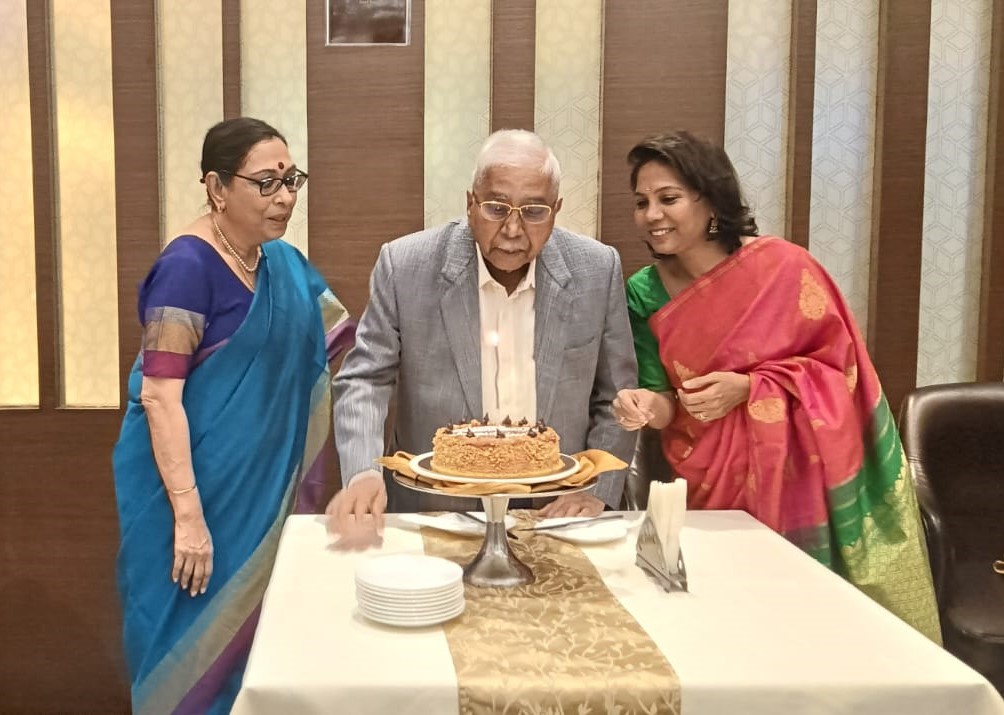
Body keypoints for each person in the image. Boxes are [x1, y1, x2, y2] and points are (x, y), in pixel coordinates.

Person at [612, 130, 941, 641]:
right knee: (726, 630)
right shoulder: (642, 291)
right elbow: (667, 402)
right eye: (641, 202)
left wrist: (750, 388)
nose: (651, 214)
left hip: (802, 473)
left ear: (711, 200)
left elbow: (842, 374)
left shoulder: (785, 268)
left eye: (668, 198)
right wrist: (641, 406)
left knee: (808, 628)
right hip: (709, 480)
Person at [112, 117, 354, 714]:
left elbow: (337, 350)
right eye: (266, 183)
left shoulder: (284, 267)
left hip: (259, 504)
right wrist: (190, 518)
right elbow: (159, 395)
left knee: (262, 657)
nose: (286, 197)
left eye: (291, 180)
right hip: (188, 505)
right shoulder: (187, 267)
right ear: (217, 188)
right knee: (188, 658)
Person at [327, 129, 637, 540]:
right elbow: (365, 379)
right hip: (437, 515)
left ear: (557, 209)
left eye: (534, 211)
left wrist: (598, 490)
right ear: (470, 203)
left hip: (556, 516)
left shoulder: (597, 270)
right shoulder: (405, 266)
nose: (512, 229)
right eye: (496, 208)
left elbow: (617, 397)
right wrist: (364, 472)